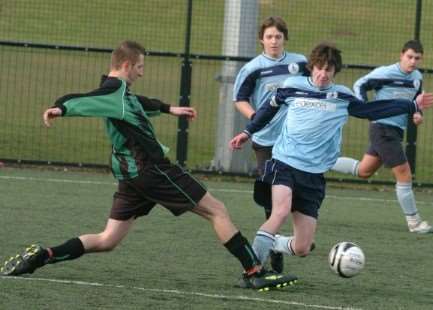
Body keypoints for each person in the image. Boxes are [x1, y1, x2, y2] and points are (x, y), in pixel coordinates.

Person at [0, 40, 298, 291]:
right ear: (127, 65)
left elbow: (138, 102)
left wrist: (169, 109)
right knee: (216, 209)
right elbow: (82, 99)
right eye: (140, 67)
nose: (142, 72)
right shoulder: (111, 94)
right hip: (151, 170)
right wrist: (60, 108)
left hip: (132, 177)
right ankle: (254, 272)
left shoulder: (119, 93)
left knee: (107, 240)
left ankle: (44, 255)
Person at [228, 42, 433, 268]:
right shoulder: (291, 86)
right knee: (279, 212)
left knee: (302, 248)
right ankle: (253, 270)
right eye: (319, 68)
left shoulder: (341, 96)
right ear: (312, 67)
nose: (323, 74)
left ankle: (275, 243)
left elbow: (371, 110)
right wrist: (248, 132)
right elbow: (268, 109)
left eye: (329, 70)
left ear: (335, 71)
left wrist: (410, 106)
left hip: (313, 175)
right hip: (284, 163)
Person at [331, 40, 433, 234]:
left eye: (417, 58)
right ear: (401, 55)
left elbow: (416, 102)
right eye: (409, 57)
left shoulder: (417, 78)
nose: (413, 61)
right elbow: (360, 84)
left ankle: (322, 161)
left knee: (364, 171)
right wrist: (365, 108)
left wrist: (417, 114)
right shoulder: (385, 73)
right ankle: (414, 223)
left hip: (396, 131)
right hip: (382, 128)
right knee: (404, 173)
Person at [233, 16, 308, 273]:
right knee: (271, 198)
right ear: (261, 39)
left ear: (285, 38)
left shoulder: (300, 64)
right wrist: (256, 118)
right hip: (265, 141)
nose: (274, 41)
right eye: (269, 37)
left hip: (295, 139)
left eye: (278, 36)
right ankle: (275, 250)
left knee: (296, 193)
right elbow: (240, 99)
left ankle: (296, 240)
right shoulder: (253, 68)